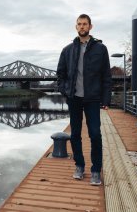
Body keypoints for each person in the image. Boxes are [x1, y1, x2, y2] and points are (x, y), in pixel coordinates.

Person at [56, 14, 112, 186]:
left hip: (93, 98)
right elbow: (61, 74)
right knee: (75, 134)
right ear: (76, 27)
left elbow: (106, 76)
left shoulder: (100, 49)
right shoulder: (67, 50)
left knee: (95, 134)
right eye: (79, 24)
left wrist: (106, 99)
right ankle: (79, 166)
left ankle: (96, 170)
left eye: (85, 24)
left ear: (90, 26)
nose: (82, 27)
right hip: (74, 98)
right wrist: (66, 91)